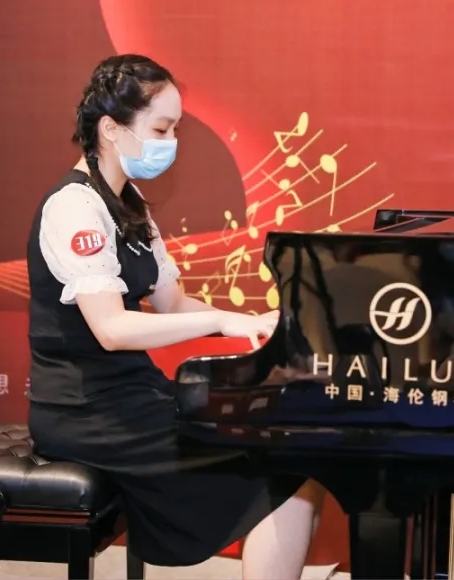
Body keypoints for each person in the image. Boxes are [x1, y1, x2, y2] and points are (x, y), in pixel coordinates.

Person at [25, 54, 325, 578]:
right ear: (111, 129)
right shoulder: (74, 207)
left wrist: (251, 320)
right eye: (161, 129)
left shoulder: (130, 202)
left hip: (135, 393)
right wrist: (220, 323)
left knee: (298, 458)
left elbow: (173, 303)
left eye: (175, 129)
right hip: (86, 413)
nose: (170, 142)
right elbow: (112, 329)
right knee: (284, 471)